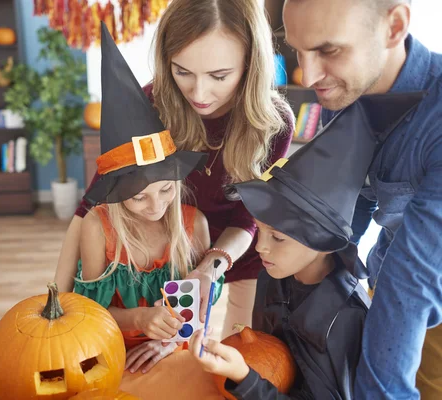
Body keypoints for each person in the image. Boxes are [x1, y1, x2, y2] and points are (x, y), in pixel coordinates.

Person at [56, 0, 295, 336]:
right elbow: (90, 205)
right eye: (182, 71)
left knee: (241, 345)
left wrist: (211, 266)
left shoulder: (275, 123)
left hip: (236, 248)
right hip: (172, 248)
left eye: (219, 75)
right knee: (173, 342)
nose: (199, 93)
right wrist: (58, 299)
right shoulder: (151, 104)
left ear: (250, 63)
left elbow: (248, 216)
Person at [189, 93, 422, 399]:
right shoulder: (271, 277)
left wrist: (244, 378)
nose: (260, 248)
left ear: (323, 242)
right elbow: (269, 359)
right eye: (259, 231)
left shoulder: (342, 319)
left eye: (278, 237)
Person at [283, 0, 442, 397]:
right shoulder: (350, 91)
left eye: (328, 50)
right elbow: (352, 207)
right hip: (390, 292)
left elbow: (413, 276)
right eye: (299, 51)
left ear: (394, 26)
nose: (309, 75)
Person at [73, 23, 223, 374]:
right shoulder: (99, 228)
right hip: (114, 353)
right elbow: (90, 314)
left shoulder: (193, 224)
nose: (156, 207)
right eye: (139, 198)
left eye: (166, 190)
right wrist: (140, 317)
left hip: (177, 354)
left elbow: (200, 310)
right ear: (116, 193)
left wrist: (172, 339)